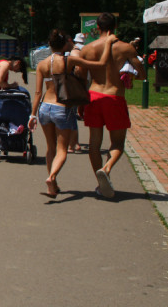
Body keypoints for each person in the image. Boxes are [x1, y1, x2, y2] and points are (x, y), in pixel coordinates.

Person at [28, 29, 112, 197]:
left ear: (50, 45)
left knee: (50, 147)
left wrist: (32, 114)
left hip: (45, 107)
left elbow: (37, 92)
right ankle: (52, 177)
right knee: (62, 149)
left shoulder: (42, 64)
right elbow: (100, 65)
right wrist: (108, 44)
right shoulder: (69, 60)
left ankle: (53, 185)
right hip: (62, 107)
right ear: (65, 44)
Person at [79, 12, 146, 198]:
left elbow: (81, 77)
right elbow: (142, 74)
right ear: (115, 27)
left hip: (93, 95)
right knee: (117, 142)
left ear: (97, 28)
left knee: (94, 144)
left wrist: (81, 101)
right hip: (114, 96)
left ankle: (100, 185)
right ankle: (107, 169)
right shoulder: (125, 48)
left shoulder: (88, 48)